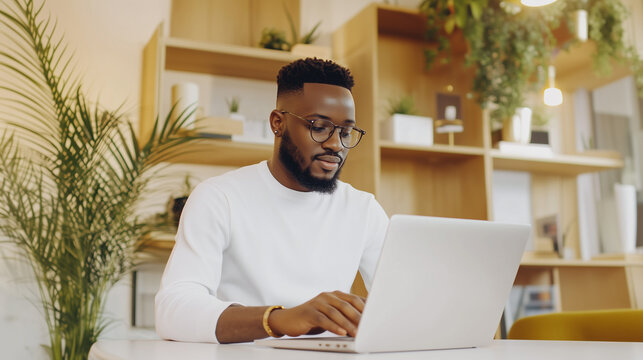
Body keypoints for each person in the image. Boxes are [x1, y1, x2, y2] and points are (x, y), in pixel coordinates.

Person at [155, 58, 389, 344]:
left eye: (345, 131)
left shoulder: (363, 210)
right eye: (318, 126)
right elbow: (172, 310)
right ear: (278, 123)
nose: (335, 144)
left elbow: (405, 302)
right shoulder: (219, 198)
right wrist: (278, 319)